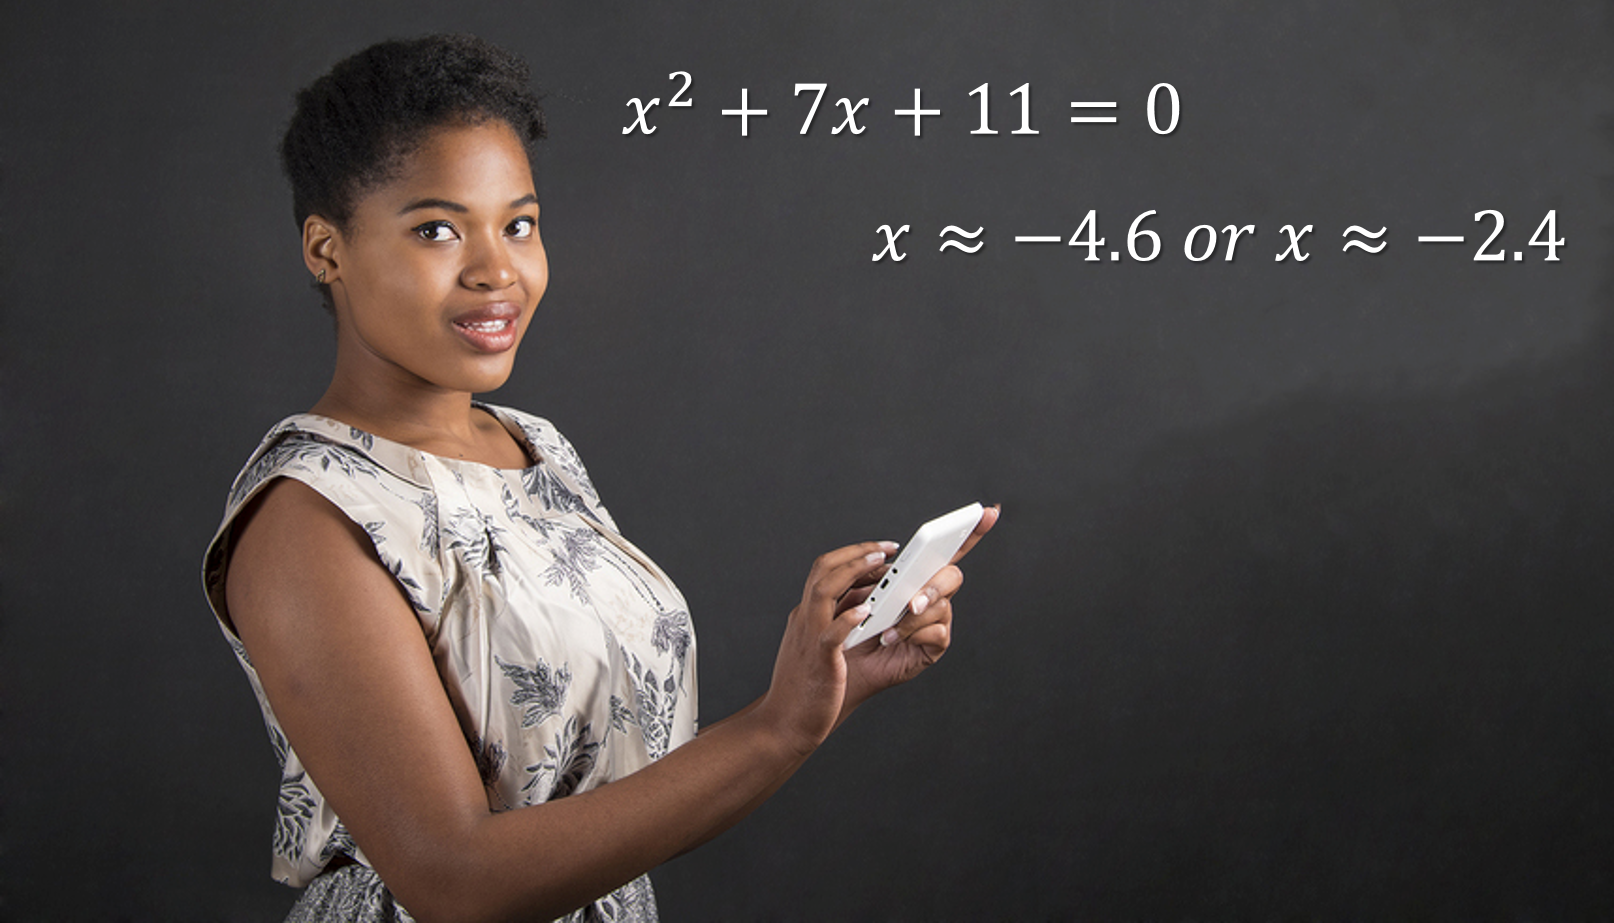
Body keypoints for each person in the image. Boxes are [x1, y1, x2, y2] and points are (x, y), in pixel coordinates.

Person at [202, 34, 997, 923]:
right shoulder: (311, 517)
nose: (497, 269)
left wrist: (826, 687)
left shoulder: (537, 450)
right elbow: (452, 879)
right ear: (326, 249)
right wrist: (775, 725)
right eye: (436, 228)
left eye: (519, 223)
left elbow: (625, 799)